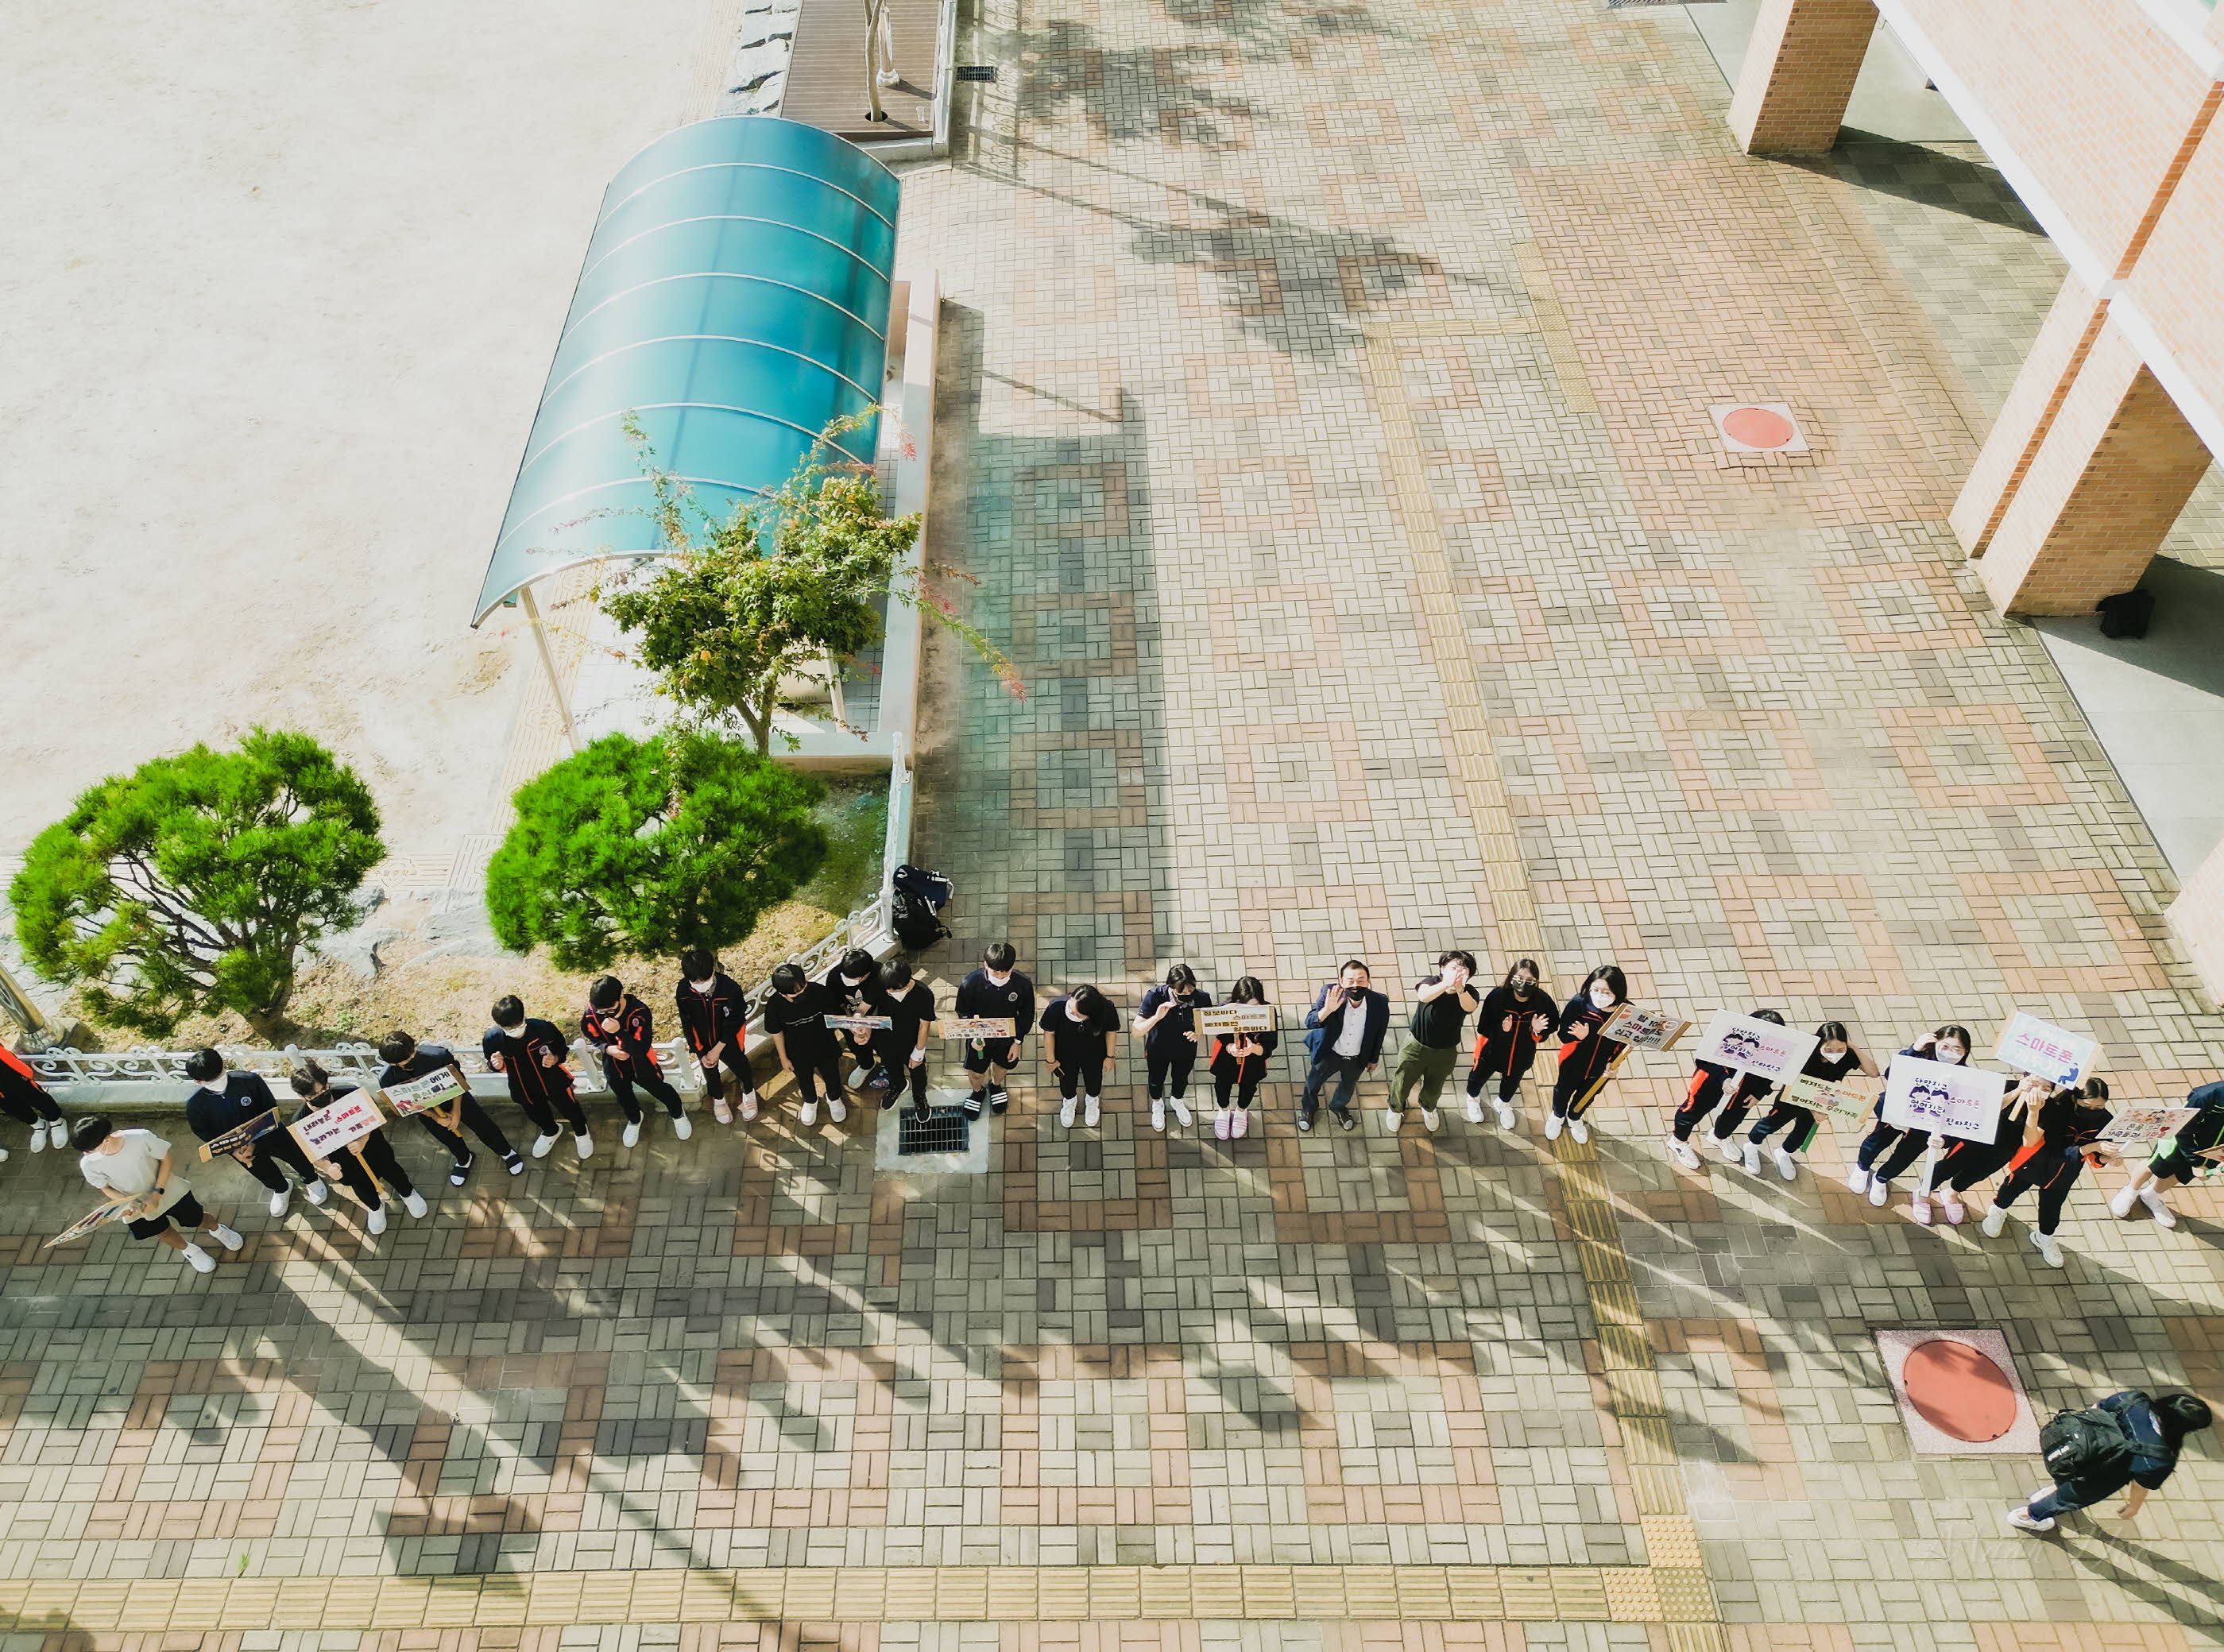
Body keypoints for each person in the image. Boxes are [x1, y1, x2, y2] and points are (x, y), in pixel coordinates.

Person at [2007, 1390, 2211, 1532]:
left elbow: (2096, 1408)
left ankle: (2053, 1489)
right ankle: (2027, 1516)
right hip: (2100, 1476)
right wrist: (2134, 1507)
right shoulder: (2158, 1457)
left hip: (2076, 1447)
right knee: (2066, 1499)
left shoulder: (2133, 1399)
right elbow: (2140, 1485)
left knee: (2070, 1477)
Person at [74, 1114, 242, 1272]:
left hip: (168, 1189)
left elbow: (166, 1159)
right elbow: (105, 1187)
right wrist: (127, 1202)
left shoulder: (140, 1138)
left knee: (197, 1218)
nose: (87, 1154)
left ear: (106, 1139)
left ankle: (218, 1230)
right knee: (161, 1232)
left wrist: (157, 1193)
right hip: (137, 1206)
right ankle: (190, 1250)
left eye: (89, 1150)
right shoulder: (88, 1163)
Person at [288, 1060, 431, 1235]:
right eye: (314, 1095)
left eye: (324, 1089)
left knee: (391, 1170)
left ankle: (408, 1193)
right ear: (303, 1096)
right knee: (361, 1186)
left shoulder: (351, 1093)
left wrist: (363, 1140)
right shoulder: (300, 1122)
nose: (321, 1095)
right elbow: (311, 1152)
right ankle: (375, 1207)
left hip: (374, 1148)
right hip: (344, 1163)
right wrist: (328, 1167)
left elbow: (373, 1116)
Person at [182, 1048, 328, 1218]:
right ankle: (281, 1188)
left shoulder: (249, 1081)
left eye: (218, 1075)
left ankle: (311, 1178)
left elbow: (269, 1108)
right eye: (210, 1080)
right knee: (263, 1172)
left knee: (296, 1156)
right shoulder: (196, 1105)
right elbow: (206, 1134)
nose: (217, 1081)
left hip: (274, 1135)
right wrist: (234, 1150)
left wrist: (253, 1139)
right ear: (198, 1082)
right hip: (241, 1151)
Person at [1983, 1079, 2114, 1267]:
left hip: (2064, 1171)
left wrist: (2108, 1159)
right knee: (2011, 1188)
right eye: (2087, 1106)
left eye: (2098, 1107)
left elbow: (2097, 1157)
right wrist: (2034, 1112)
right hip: (2034, 1160)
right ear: (2075, 1099)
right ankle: (1998, 1210)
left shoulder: (2106, 1120)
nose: (2092, 1111)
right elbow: (2032, 1141)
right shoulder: (2056, 1109)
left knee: (2052, 1206)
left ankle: (2044, 1236)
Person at [1844, 1025, 1973, 1211]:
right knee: (1877, 1140)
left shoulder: (1967, 1077)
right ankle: (1862, 1167)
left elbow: (1961, 1112)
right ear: (1934, 1042)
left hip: (1926, 1128)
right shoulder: (1919, 1057)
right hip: (1898, 1114)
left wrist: (1945, 1139)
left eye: (1956, 1049)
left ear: (1965, 1051)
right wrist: (1914, 1049)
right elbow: (1890, 1074)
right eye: (1945, 1046)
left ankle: (1881, 1179)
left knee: (1905, 1157)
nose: (1950, 1053)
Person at [378, 1031, 525, 1186]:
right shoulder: (387, 1078)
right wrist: (435, 1117)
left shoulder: (439, 1056)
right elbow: (404, 1104)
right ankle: (464, 1158)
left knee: (484, 1126)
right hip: (428, 1111)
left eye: (413, 1053)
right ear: (392, 1064)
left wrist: (456, 1112)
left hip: (457, 1099)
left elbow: (458, 1081)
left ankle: (505, 1152)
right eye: (406, 1060)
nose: (413, 1057)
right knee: (447, 1137)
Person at [1742, 1022, 1874, 1181]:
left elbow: (1873, 1072)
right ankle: (1752, 1145)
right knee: (1772, 1122)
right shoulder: (1805, 1054)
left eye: (1840, 1049)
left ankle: (1784, 1153)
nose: (1835, 1054)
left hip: (1821, 1098)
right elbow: (1796, 1084)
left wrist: (1854, 1048)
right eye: (1829, 1050)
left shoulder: (1848, 1055)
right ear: (1819, 1044)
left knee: (1802, 1133)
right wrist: (1815, 1109)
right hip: (1794, 1095)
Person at [1928, 1072, 2054, 1226]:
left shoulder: (2050, 1109)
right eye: (2035, 1084)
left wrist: (2034, 1112)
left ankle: (1951, 1193)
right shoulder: (2005, 1085)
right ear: (2024, 1078)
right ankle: (1925, 1191)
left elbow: (2029, 1142)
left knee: (1975, 1174)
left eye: (2046, 1088)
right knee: (1949, 1165)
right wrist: (2017, 1092)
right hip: (1975, 1138)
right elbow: (1984, 1110)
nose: (2039, 1090)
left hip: (2003, 1151)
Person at [1665, 1010, 1785, 1171]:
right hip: (1710, 1083)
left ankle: (1718, 1137)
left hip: (1745, 1091)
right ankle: (1678, 1142)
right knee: (1690, 1113)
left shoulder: (1776, 1051)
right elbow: (1703, 1060)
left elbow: (1772, 1072)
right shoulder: (1727, 1035)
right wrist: (1724, 1078)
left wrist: (1759, 1093)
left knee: (1734, 1118)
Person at [582, 977, 690, 1146]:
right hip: (614, 1063)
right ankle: (634, 1118)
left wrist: (619, 1032)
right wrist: (608, 1049)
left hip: (641, 1063)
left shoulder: (639, 1012)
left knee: (660, 1089)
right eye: (601, 1012)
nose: (605, 1015)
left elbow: (640, 1048)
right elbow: (591, 1034)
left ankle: (677, 1112)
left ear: (621, 996)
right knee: (623, 1095)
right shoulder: (593, 1012)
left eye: (610, 1009)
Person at [2108, 1076, 2224, 1229]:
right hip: (2181, 1143)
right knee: (2154, 1166)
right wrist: (2195, 1162)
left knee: (2181, 1175)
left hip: (2212, 1151)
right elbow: (2184, 1127)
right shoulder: (2205, 1096)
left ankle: (2151, 1196)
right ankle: (2130, 1190)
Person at [485, 997, 592, 1159]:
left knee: (570, 1108)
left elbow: (562, 1048)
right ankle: (551, 1131)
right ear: (499, 1025)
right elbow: (492, 1062)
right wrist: (497, 1065)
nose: (514, 1031)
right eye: (508, 1029)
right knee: (536, 1113)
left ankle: (581, 1132)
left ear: (523, 1017)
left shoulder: (543, 1029)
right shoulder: (493, 1039)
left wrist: (555, 1058)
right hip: (522, 1085)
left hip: (553, 1079)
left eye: (518, 1026)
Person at [1390, 951, 1479, 1135]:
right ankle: (1395, 1108)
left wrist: (1460, 989)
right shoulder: (1431, 982)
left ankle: (1428, 1107)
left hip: (1445, 1051)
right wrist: (1447, 984)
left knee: (1435, 1084)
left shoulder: (1469, 993)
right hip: (1416, 1046)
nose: (1458, 973)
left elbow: (1470, 1007)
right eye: (1454, 968)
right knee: (1403, 1080)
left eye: (1464, 971)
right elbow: (1424, 996)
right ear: (1442, 969)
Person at [1298, 961, 1389, 1134]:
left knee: (1348, 1085)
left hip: (1356, 1057)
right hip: (1329, 1053)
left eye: (1361, 980)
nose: (1356, 985)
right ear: (1341, 981)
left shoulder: (1379, 1002)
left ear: (1369, 981)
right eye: (1350, 980)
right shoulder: (1330, 993)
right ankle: (1308, 1109)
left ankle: (1338, 1106)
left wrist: (1374, 1058)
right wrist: (1327, 1010)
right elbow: (1309, 1022)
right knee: (1313, 1082)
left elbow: (1380, 1032)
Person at [1464, 960, 1554, 1131]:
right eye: (1519, 978)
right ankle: (1473, 1098)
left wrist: (1536, 1031)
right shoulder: (1497, 996)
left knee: (1512, 1081)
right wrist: (1503, 1029)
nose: (1523, 984)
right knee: (1478, 1076)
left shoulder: (1542, 1001)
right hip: (1491, 1050)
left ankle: (1503, 1103)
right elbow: (1484, 1026)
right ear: (1511, 977)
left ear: (1536, 981)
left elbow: (1549, 1028)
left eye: (1530, 980)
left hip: (1522, 1053)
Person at [677, 948, 760, 1126]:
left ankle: (749, 1091)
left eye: (704, 980)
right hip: (702, 1043)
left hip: (729, 1041)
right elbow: (686, 1021)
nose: (700, 984)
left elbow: (736, 1019)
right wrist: (699, 1050)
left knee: (741, 1066)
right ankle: (718, 1099)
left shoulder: (730, 988)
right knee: (710, 1072)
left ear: (713, 971)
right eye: (694, 981)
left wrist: (718, 1048)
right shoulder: (683, 990)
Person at [953, 942, 1036, 1118]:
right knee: (976, 1072)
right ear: (985, 965)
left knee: (1002, 1065)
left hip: (1007, 1038)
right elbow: (963, 1011)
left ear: (1012, 967)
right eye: (995, 972)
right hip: (979, 1038)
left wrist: (1017, 1042)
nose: (999, 976)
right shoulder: (970, 983)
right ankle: (977, 1092)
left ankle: (996, 1085)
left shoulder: (1023, 984)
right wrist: (975, 1035)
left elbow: (1027, 1015)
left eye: (1005, 972)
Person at [762, 962, 848, 1128]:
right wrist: (783, 1058)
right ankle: (810, 1101)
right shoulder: (774, 1006)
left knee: (832, 1074)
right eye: (795, 994)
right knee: (804, 1078)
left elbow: (835, 1016)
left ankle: (834, 1097)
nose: (801, 994)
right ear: (782, 993)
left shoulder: (819, 992)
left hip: (825, 1044)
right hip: (797, 1052)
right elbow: (776, 1032)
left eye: (803, 988)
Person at [1549, 965, 1629, 1143]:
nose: (1599, 995)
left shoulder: (1627, 1012)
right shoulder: (1579, 1003)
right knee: (1563, 1090)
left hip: (1601, 1067)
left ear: (1618, 991)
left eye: (1606, 992)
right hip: (1573, 1061)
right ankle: (1558, 1115)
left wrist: (1614, 1064)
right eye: (1596, 989)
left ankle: (1575, 1117)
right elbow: (1563, 1035)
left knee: (1589, 1094)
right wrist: (1579, 1038)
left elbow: (1625, 1042)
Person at [1134, 965, 1212, 1132]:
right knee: (1156, 1079)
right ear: (1171, 986)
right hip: (1158, 1050)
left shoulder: (1203, 998)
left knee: (1181, 1078)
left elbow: (1207, 1023)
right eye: (1182, 993)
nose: (1187, 996)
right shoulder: (1155, 996)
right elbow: (1136, 1031)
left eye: (1191, 991)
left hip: (1186, 1050)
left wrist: (1198, 1033)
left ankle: (1177, 1100)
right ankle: (1157, 1103)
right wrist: (1156, 1017)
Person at [1207, 975, 1276, 1140]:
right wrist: (1230, 1047)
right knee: (1222, 1085)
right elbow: (1221, 1035)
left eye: (1255, 1007)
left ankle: (1241, 1111)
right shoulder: (1225, 1009)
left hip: (1254, 1062)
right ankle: (1223, 1110)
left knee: (1249, 1087)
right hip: (1226, 1059)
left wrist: (1254, 1049)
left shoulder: (1269, 1012)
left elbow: (1271, 1044)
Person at [1043, 984, 1121, 1129]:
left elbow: (1111, 1032)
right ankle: (1069, 1100)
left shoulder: (1106, 1008)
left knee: (1094, 1079)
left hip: (1094, 1054)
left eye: (1077, 1015)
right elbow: (1049, 1033)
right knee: (1066, 1080)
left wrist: (1110, 1056)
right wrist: (1050, 1060)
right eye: (1072, 1009)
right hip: (1065, 1055)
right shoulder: (1057, 1006)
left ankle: (1092, 1100)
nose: (1072, 1014)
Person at [872, 960, 937, 1116]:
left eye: (893, 990)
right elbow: (864, 1008)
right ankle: (898, 1086)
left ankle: (919, 1097)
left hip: (911, 1041)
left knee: (917, 1071)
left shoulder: (923, 993)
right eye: (887, 990)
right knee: (891, 1066)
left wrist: (918, 1052)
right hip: (885, 1039)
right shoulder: (882, 984)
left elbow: (924, 1026)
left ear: (905, 983)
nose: (889, 992)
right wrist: (858, 1023)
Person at [0, 1044, 66, 1157]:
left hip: (7, 1072)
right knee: (13, 1108)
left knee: (35, 1097)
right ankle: (39, 1125)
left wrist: (24, 1073)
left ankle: (56, 1121)